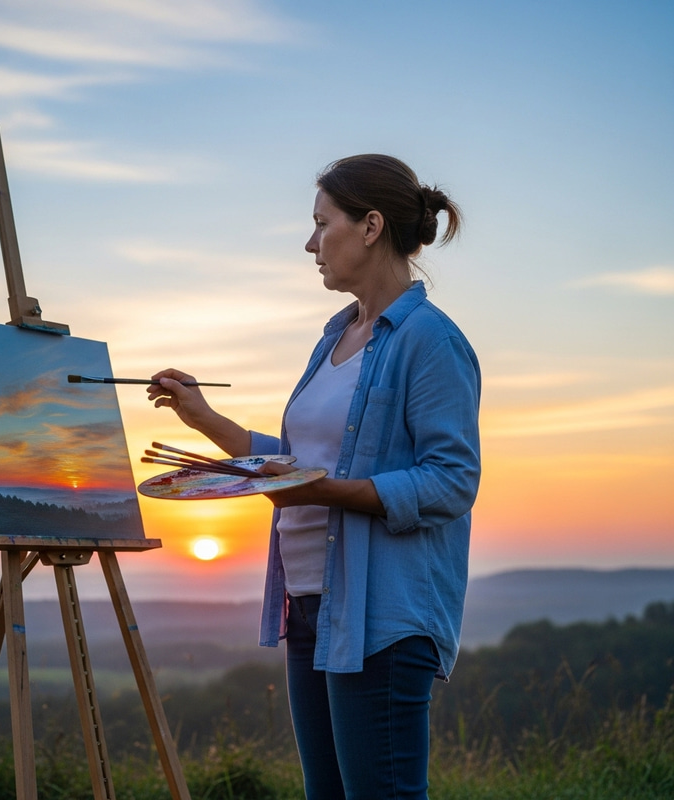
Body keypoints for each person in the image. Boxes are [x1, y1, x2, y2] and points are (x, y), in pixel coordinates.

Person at [147, 154, 481, 800]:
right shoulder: (334, 339)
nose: (309, 244)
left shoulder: (429, 341)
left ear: (371, 227)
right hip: (312, 609)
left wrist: (324, 493)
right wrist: (206, 420)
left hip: (380, 619)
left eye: (321, 223)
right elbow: (300, 457)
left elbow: (451, 480)